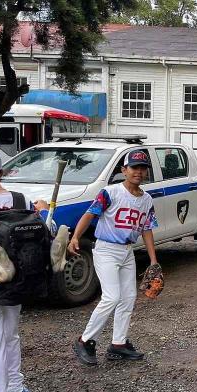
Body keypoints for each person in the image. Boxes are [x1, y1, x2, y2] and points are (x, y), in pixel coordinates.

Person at [0, 149, 62, 392]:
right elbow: (46, 231)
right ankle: (15, 390)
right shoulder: (21, 200)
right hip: (22, 277)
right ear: (1, 172)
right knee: (11, 334)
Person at [71, 149, 159, 365]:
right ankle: (85, 340)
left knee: (128, 297)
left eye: (142, 168)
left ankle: (118, 344)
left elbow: (147, 229)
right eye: (134, 167)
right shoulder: (110, 192)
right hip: (106, 249)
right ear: (124, 170)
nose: (138, 171)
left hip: (128, 251)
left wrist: (153, 260)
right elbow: (90, 214)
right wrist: (75, 238)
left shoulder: (146, 199)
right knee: (111, 297)